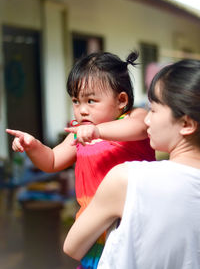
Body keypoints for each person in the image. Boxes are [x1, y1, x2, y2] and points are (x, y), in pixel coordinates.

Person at [6, 51, 155, 269]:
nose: (82, 109)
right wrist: (34, 146)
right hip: (94, 227)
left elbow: (141, 128)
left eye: (91, 100)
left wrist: (97, 131)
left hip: (133, 221)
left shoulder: (134, 116)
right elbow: (52, 160)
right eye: (76, 101)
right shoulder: (78, 133)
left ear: (121, 100)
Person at [64, 59, 200, 269]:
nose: (146, 120)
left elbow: (73, 248)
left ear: (186, 124)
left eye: (153, 110)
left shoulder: (126, 180)